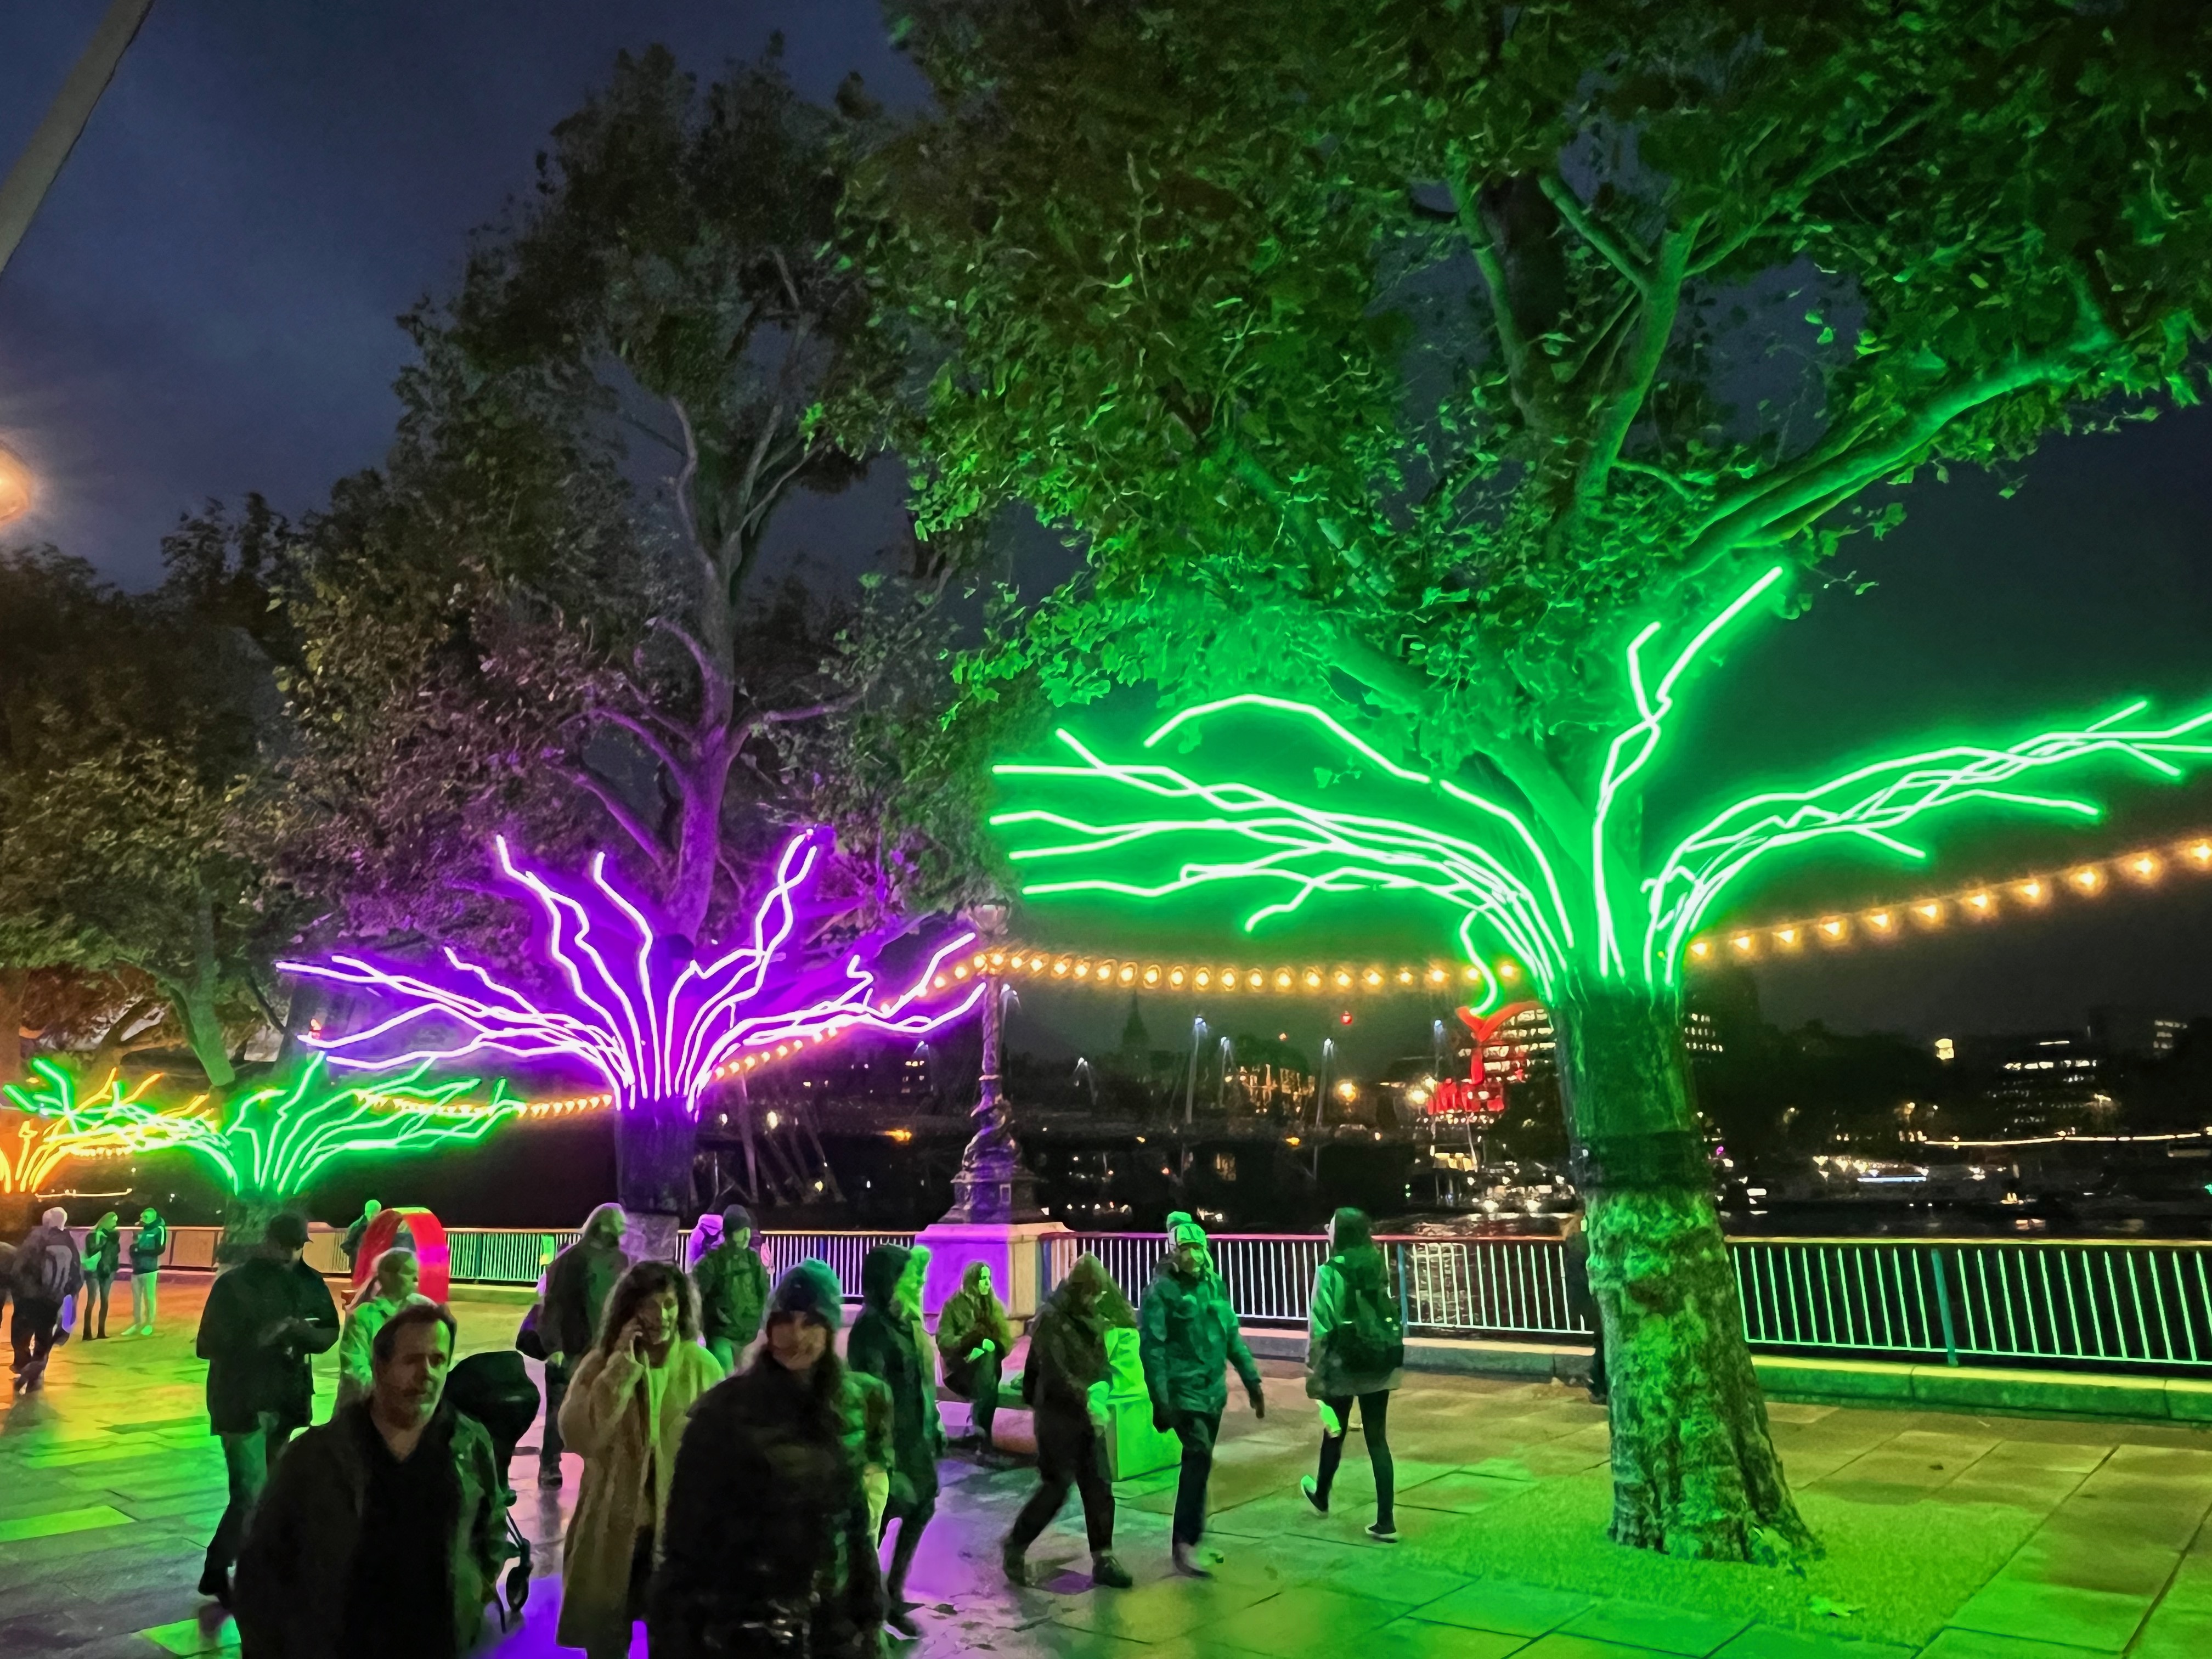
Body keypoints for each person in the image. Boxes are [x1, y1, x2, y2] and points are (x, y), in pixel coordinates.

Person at [234, 1300, 512, 1658]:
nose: (427, 1373)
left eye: (438, 1360)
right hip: (344, 1642)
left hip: (437, 1642)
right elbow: (262, 1562)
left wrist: (473, 1595)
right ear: (380, 1367)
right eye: (412, 1360)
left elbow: (490, 1528)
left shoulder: (468, 1443)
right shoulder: (317, 1455)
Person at [652, 1259, 884, 1659]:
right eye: (785, 1320)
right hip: (751, 1632)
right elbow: (685, 1544)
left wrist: (870, 1615)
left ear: (829, 1329)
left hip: (831, 1631)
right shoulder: (724, 1415)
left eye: (811, 1321)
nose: (796, 1335)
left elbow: (855, 1523)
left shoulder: (850, 1406)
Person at [556, 1258, 720, 1659]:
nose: (660, 1316)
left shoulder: (703, 1368)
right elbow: (579, 1435)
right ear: (629, 1311)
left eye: (668, 1305)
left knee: (677, 1641)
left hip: (678, 1535)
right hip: (614, 1531)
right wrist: (620, 1369)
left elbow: (722, 1453)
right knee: (607, 1642)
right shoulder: (600, 1365)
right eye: (648, 1305)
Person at [194, 1211, 340, 1606]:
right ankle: (235, 1568)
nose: (291, 1253)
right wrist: (260, 1339)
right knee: (250, 1492)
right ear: (269, 1241)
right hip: (241, 1400)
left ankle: (238, 1568)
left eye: (298, 1246)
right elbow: (207, 1344)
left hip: (286, 1398)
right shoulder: (235, 1285)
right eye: (286, 1245)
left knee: (269, 1492)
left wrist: (302, 1332)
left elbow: (329, 1329)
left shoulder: (309, 1282)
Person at [1140, 1210, 1265, 1577]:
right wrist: (1161, 1400)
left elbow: (1231, 1337)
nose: (1192, 1254)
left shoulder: (1214, 1285)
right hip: (1184, 1392)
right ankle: (1184, 1543)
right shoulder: (1161, 1292)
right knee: (1197, 1458)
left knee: (1203, 1462)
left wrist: (1252, 1380)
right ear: (1174, 1251)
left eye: (1197, 1246)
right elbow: (1154, 1349)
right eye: (1185, 1247)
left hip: (1212, 1392)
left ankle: (1195, 1538)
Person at [1002, 1252, 1133, 1590]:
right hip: (1056, 1413)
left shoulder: (1091, 1315)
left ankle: (1103, 1557)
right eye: (1094, 1294)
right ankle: (1016, 1544)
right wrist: (1089, 1399)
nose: (1097, 1300)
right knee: (1056, 1485)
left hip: (1087, 1410)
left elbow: (1101, 1362)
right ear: (1081, 1291)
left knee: (1099, 1485)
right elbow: (1055, 1373)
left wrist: (1102, 1389)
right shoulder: (1052, 1318)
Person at [848, 1244, 946, 1637]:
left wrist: (934, 1420)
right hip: (890, 1443)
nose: (919, 1284)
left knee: (922, 1506)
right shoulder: (871, 1328)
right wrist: (881, 1451)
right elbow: (872, 1390)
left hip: (915, 1438)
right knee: (879, 1519)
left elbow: (922, 1381)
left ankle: (890, 1590)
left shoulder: (906, 1323)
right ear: (890, 1283)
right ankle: (865, 1602)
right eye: (911, 1278)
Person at [1297, 1207, 1405, 1541]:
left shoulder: (1330, 1272)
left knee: (1335, 1431)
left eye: (1331, 1225)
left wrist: (1314, 1368)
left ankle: (1323, 1493)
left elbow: (1321, 1325)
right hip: (1377, 1361)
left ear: (1339, 1233)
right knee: (1377, 1439)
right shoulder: (1377, 1265)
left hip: (1344, 1365)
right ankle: (1386, 1520)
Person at [538, 1202, 630, 1489]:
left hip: (606, 1346)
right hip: (574, 1346)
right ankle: (550, 1464)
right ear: (603, 1225)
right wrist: (552, 1345)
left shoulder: (621, 1261)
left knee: (608, 1404)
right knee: (561, 1404)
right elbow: (554, 1303)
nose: (624, 1228)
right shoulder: (573, 1259)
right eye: (619, 1222)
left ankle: (602, 1461)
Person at [935, 1260, 1014, 1454]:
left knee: (988, 1362)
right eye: (983, 1279)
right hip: (959, 1369)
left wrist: (989, 1346)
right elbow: (944, 1340)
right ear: (972, 1281)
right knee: (989, 1380)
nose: (988, 1283)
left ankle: (979, 1433)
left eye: (989, 1278)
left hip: (984, 1370)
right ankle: (981, 1434)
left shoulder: (992, 1305)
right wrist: (971, 1344)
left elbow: (1006, 1339)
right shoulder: (953, 1306)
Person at [336, 1247, 425, 1410]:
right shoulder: (365, 1316)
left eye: (416, 1273)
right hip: (363, 1410)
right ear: (388, 1277)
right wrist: (391, 1395)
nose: (416, 1278)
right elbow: (354, 1370)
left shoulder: (421, 1308)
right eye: (408, 1272)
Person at [10, 1205, 84, 1392]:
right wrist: (65, 1297)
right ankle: (35, 1373)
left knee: (20, 1337)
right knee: (43, 1340)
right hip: (53, 1302)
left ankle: (23, 1366)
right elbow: (77, 1275)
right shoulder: (68, 1242)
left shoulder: (36, 1238)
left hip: (29, 1301)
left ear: (47, 1221)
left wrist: (24, 1293)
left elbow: (19, 1269)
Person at [691, 1203, 769, 1374]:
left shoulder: (753, 1261)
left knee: (745, 1385)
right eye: (742, 1229)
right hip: (721, 1336)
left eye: (748, 1229)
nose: (747, 1235)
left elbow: (764, 1291)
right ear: (731, 1231)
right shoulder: (712, 1262)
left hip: (748, 1335)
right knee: (723, 1381)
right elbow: (694, 1296)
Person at [1561, 1207, 1607, 1404]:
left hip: (1585, 1302)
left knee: (1601, 1343)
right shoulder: (1586, 1243)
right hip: (1593, 1301)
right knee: (1603, 1343)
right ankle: (1598, 1385)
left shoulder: (1574, 1244)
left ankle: (1598, 1386)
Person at [126, 1205, 167, 1334]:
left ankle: (149, 1324)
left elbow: (160, 1249)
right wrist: (133, 1252)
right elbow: (134, 1247)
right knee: (137, 1299)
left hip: (150, 1269)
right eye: (142, 1216)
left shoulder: (159, 1229)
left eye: (146, 1217)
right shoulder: (141, 1230)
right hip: (137, 1269)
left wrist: (141, 1251)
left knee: (149, 1297)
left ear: (153, 1217)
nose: (142, 1218)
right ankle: (137, 1323)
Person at [81, 1211, 122, 1339]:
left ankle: (101, 1331)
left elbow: (115, 1254)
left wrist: (114, 1268)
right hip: (94, 1272)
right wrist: (103, 1240)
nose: (115, 1224)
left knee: (105, 1301)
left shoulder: (114, 1236)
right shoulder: (93, 1235)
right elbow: (92, 1250)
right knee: (92, 1300)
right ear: (106, 1221)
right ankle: (87, 1332)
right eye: (113, 1221)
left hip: (108, 1271)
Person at [339, 1198, 382, 1273]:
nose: (378, 1214)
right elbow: (346, 1245)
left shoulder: (369, 1225)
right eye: (377, 1211)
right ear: (373, 1211)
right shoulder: (359, 1226)